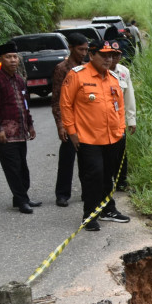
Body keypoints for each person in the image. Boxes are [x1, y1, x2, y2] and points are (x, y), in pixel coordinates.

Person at [60, 40, 129, 231]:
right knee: (94, 175)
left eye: (110, 55)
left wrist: (121, 128)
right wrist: (71, 132)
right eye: (104, 55)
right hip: (88, 138)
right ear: (92, 55)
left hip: (112, 137)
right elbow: (65, 105)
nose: (108, 59)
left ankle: (108, 209)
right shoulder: (77, 76)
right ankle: (90, 215)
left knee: (108, 176)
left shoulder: (113, 78)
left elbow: (120, 106)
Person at [0, 40, 40, 213]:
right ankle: (22, 200)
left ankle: (21, 198)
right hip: (6, 134)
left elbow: (25, 105)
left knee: (22, 167)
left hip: (21, 131)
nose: (13, 60)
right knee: (13, 168)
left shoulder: (19, 80)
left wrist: (30, 125)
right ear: (1, 59)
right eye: (9, 57)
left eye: (15, 57)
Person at [50, 32, 90, 207]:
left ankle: (87, 192)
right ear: (71, 48)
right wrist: (61, 125)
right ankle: (62, 194)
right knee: (67, 159)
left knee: (87, 160)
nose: (83, 53)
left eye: (86, 50)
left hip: (86, 121)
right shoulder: (62, 69)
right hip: (69, 121)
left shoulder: (87, 67)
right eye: (80, 49)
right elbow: (57, 99)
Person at [106, 40, 136, 191]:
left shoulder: (123, 72)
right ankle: (105, 183)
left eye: (117, 55)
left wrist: (131, 119)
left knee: (121, 154)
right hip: (103, 122)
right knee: (106, 154)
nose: (114, 58)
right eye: (111, 55)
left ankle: (121, 182)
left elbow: (129, 96)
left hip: (119, 121)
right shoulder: (99, 72)